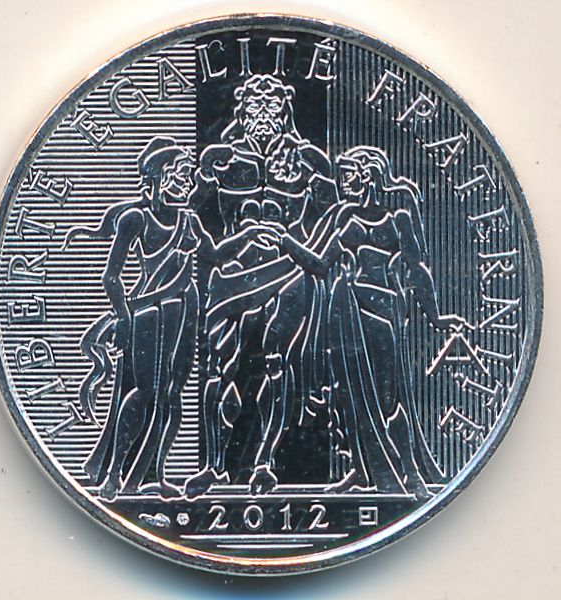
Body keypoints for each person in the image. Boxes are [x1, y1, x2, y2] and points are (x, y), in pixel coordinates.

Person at [66, 137, 274, 501]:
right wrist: (124, 319)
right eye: (180, 174)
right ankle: (114, 474)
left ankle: (155, 473)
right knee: (144, 391)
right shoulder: (136, 218)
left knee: (172, 394)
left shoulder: (188, 220)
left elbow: (214, 255)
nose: (186, 182)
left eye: (188, 175)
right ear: (158, 176)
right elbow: (111, 277)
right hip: (148, 312)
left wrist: (249, 234)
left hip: (184, 311)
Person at [275, 145, 466, 498]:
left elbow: (418, 270)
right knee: (348, 395)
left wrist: (436, 316)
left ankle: (410, 473)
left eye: (348, 175)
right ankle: (361, 472)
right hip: (349, 311)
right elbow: (320, 265)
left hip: (384, 313)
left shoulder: (398, 219)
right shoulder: (349, 222)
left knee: (390, 398)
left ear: (367, 176)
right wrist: (286, 241)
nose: (342, 183)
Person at [184, 74, 340, 498]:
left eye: (271, 107)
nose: (263, 114)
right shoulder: (219, 158)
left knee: (275, 361)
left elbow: (335, 219)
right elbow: (189, 214)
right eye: (255, 106)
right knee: (219, 369)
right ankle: (215, 467)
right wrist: (221, 246)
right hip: (231, 275)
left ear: (285, 111)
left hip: (286, 272)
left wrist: (303, 250)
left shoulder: (310, 161)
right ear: (241, 110)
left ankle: (265, 463)